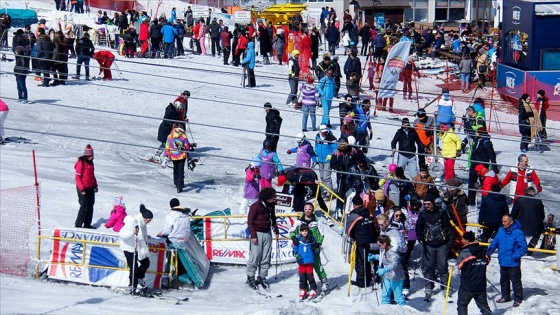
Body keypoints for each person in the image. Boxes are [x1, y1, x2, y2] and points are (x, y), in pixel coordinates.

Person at [415, 192, 454, 301]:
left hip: (442, 244)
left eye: (428, 204)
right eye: (425, 204)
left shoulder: (441, 212)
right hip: (429, 245)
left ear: (433, 203)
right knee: (429, 267)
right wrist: (420, 237)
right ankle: (428, 287)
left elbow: (448, 227)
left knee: (442, 266)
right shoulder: (422, 214)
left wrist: (450, 241)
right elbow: (418, 227)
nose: (426, 206)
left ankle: (445, 287)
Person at [289, 203, 331, 295]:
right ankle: (305, 286)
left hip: (313, 247)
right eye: (306, 209)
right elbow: (292, 231)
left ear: (313, 210)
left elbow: (322, 234)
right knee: (303, 268)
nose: (307, 211)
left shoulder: (317, 221)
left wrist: (318, 243)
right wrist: (293, 238)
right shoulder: (299, 222)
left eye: (309, 209)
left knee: (317, 265)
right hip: (302, 249)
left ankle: (324, 282)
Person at [487, 214, 528, 307]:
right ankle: (505, 296)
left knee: (515, 282)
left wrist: (515, 256)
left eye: (505, 221)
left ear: (511, 222)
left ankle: (518, 298)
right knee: (503, 281)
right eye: (502, 221)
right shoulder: (501, 230)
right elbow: (495, 242)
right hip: (503, 261)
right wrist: (489, 251)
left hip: (513, 263)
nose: (503, 223)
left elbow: (524, 248)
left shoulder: (518, 232)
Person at [246, 187, 280, 290]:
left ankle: (262, 276)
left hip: (267, 233)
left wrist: (276, 229)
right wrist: (253, 236)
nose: (274, 199)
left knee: (266, 256)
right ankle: (250, 276)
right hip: (257, 233)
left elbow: (273, 218)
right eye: (273, 197)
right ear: (267, 197)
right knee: (255, 256)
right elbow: (250, 222)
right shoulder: (255, 206)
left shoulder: (271, 205)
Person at [119, 204, 154, 295]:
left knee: (146, 263)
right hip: (129, 247)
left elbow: (142, 235)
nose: (149, 222)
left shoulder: (142, 223)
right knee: (133, 267)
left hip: (138, 247)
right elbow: (122, 234)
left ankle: (139, 279)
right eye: (149, 220)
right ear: (145, 218)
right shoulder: (133, 222)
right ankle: (132, 286)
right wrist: (132, 232)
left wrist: (146, 237)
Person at [456, 231, 492, 315]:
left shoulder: (464, 253)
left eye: (463, 239)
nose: (462, 240)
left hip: (467, 285)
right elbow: (487, 261)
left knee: (462, 305)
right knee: (484, 306)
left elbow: (459, 266)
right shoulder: (483, 251)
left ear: (467, 240)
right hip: (481, 284)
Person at [346, 194, 377, 288]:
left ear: (354, 205)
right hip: (372, 240)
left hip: (361, 242)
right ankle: (369, 278)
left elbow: (349, 230)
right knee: (369, 260)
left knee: (360, 262)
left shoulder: (353, 215)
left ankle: (361, 282)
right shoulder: (368, 213)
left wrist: (354, 237)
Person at [331, 137, 365, 218]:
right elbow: (332, 164)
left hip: (352, 175)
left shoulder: (353, 151)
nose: (342, 147)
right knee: (340, 191)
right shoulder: (336, 152)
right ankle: (339, 209)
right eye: (341, 145)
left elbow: (360, 160)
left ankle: (351, 208)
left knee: (351, 192)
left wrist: (357, 165)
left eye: (344, 145)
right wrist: (338, 167)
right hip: (341, 176)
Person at [368, 235, 406, 305]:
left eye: (379, 245)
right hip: (388, 276)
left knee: (398, 298)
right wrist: (375, 257)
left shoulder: (393, 252)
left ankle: (404, 310)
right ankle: (385, 309)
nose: (379, 247)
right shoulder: (384, 250)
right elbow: (384, 258)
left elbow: (394, 264)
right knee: (385, 296)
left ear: (384, 243)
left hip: (396, 277)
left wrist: (384, 270)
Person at [467, 128, 498, 205]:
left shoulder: (486, 143)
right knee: (471, 183)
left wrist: (494, 166)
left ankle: (485, 201)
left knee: (484, 184)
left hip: (483, 167)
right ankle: (471, 201)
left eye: (477, 132)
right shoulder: (477, 139)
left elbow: (492, 155)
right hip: (474, 165)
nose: (476, 133)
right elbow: (469, 131)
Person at [511, 186, 545, 253]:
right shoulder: (538, 201)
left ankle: (520, 245)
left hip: (521, 225)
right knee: (539, 231)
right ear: (532, 193)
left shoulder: (519, 201)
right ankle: (531, 246)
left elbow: (513, 214)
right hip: (535, 226)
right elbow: (542, 216)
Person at [292, 224, 318, 300]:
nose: (304, 232)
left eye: (306, 231)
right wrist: (295, 254)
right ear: (300, 231)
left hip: (309, 260)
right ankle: (303, 289)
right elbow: (295, 247)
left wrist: (316, 249)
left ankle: (313, 289)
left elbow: (315, 246)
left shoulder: (311, 239)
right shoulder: (298, 239)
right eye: (303, 231)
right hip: (301, 260)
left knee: (310, 276)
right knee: (302, 276)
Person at [74, 144, 98, 228]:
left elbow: (92, 175)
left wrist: (95, 185)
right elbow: (77, 177)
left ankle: (87, 225)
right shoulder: (81, 163)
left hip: (90, 187)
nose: (91, 158)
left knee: (90, 206)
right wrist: (82, 189)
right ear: (86, 155)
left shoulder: (91, 163)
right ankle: (78, 225)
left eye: (92, 156)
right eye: (90, 156)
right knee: (84, 207)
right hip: (83, 188)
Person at [165, 123, 191, 193]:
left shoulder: (170, 136)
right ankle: (180, 186)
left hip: (173, 156)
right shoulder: (183, 136)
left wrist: (166, 155)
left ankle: (176, 182)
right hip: (182, 156)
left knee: (175, 169)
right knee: (181, 171)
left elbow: (167, 146)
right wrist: (187, 151)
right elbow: (187, 146)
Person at [314, 124, 337, 194]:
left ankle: (330, 193)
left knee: (326, 177)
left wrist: (331, 155)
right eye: (323, 132)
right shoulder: (317, 137)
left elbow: (336, 149)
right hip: (320, 160)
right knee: (322, 176)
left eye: (325, 131)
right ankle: (325, 190)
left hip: (328, 161)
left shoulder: (332, 138)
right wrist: (316, 154)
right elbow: (316, 146)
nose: (324, 133)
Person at [13, 30, 30, 101]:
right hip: (18, 69)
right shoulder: (20, 50)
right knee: (18, 85)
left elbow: (24, 61)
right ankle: (20, 97)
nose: (15, 52)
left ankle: (25, 98)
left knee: (22, 85)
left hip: (22, 70)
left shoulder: (24, 53)